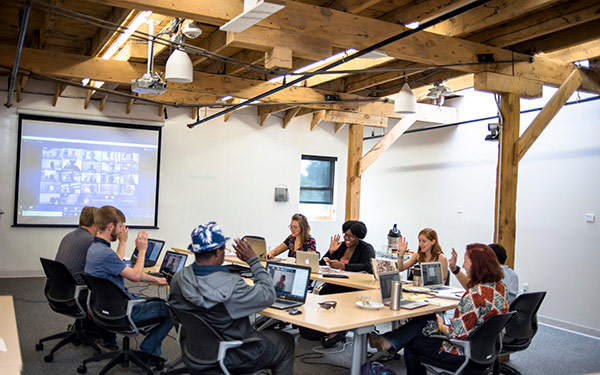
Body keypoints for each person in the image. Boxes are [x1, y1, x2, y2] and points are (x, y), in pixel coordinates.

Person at [169, 222, 294, 375]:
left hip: (195, 350)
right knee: (286, 342)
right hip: (235, 355)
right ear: (217, 251)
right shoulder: (232, 285)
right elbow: (269, 294)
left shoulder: (178, 278)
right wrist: (253, 261)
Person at [369, 243, 509, 375]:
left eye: (466, 261)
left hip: (463, 353)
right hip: (487, 349)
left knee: (412, 343)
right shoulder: (500, 288)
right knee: (427, 318)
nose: (464, 265)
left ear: (477, 265)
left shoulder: (474, 296)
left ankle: (389, 341)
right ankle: (388, 340)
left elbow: (455, 334)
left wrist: (442, 326)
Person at [84, 206, 172, 357]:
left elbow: (123, 268)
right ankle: (149, 352)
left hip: (102, 309)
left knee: (152, 302)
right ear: (110, 226)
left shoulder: (94, 249)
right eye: (120, 227)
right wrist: (142, 250)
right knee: (171, 310)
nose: (121, 231)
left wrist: (156, 279)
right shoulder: (105, 254)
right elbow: (135, 277)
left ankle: (149, 343)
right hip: (123, 311)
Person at [312, 220, 375, 347]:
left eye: (351, 236)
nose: (347, 238)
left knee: (339, 297)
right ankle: (327, 326)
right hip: (336, 282)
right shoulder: (340, 246)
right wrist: (330, 252)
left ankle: (339, 329)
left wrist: (343, 265)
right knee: (324, 293)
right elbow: (322, 263)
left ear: (359, 236)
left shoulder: (366, 248)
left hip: (354, 286)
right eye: (345, 235)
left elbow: (368, 266)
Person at [55, 206, 98, 285]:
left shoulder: (69, 236)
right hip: (76, 289)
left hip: (58, 287)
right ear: (96, 223)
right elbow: (110, 267)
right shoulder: (91, 240)